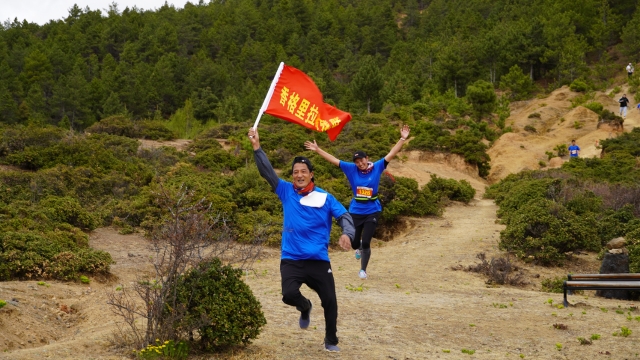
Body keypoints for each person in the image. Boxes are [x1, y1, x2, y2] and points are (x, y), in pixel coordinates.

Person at [248, 127, 354, 353]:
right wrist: (257, 147)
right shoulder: (286, 190)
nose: (298, 175)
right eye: (295, 171)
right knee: (288, 295)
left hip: (318, 260)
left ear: (311, 174)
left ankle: (331, 340)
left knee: (330, 301)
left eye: (303, 171)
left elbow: (344, 216)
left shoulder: (325, 197)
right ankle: (305, 306)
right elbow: (268, 173)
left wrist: (347, 233)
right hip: (292, 258)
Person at [304, 125, 410, 280]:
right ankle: (358, 247)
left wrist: (402, 138)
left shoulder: (378, 166)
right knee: (354, 243)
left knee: (366, 242)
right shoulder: (351, 169)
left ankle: (363, 270)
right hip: (355, 211)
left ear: (367, 159)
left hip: (372, 210)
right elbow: (334, 160)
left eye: (361, 160)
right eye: (357, 162)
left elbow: (392, 153)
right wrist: (318, 150)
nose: (359, 163)